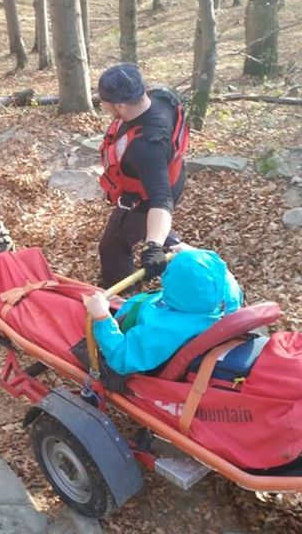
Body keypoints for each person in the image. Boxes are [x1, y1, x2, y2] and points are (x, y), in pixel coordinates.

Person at [95, 62, 190, 287]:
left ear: (120, 105)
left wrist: (153, 245)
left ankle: (120, 302)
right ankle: (177, 251)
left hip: (147, 197)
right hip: (171, 176)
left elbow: (161, 198)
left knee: (113, 246)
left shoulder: (146, 147)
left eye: (105, 103)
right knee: (150, 232)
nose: (104, 107)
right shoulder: (161, 98)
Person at [83, 248, 242, 376]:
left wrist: (102, 318)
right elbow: (219, 273)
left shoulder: (166, 329)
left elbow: (123, 359)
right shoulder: (228, 297)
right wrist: (189, 256)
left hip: (129, 341)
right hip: (145, 310)